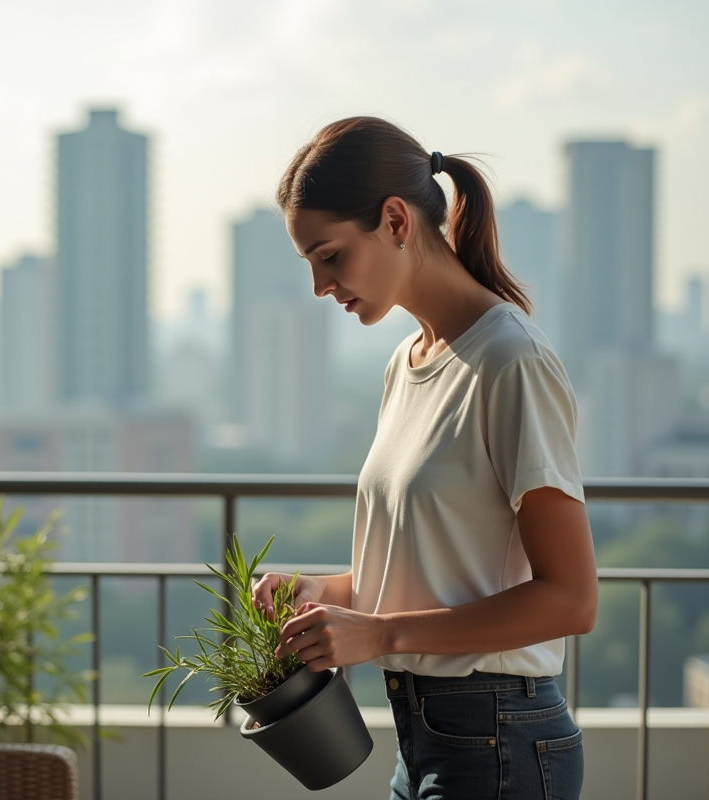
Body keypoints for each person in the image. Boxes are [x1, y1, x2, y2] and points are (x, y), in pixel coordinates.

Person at [252, 116, 598, 800]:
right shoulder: (406, 365)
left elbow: (571, 598)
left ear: (395, 221)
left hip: (498, 739)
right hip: (423, 739)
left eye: (330, 255)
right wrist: (329, 595)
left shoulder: (511, 361)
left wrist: (377, 636)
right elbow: (438, 570)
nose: (321, 286)